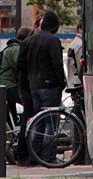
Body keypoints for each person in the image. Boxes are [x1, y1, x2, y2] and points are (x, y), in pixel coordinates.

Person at [25, 11, 67, 164]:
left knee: (38, 121)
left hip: (34, 85)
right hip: (49, 85)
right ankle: (48, 157)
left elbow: (25, 63)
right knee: (51, 122)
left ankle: (34, 157)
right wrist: (61, 81)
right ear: (55, 26)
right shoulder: (53, 41)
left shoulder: (31, 40)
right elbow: (57, 64)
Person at [15, 16, 43, 166]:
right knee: (30, 119)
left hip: (27, 86)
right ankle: (23, 152)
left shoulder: (29, 42)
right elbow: (20, 65)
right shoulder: (30, 43)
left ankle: (24, 152)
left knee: (30, 118)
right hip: (27, 87)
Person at [66, 19, 84, 89]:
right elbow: (80, 68)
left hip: (73, 81)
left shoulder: (75, 42)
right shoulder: (80, 45)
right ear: (80, 30)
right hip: (78, 82)